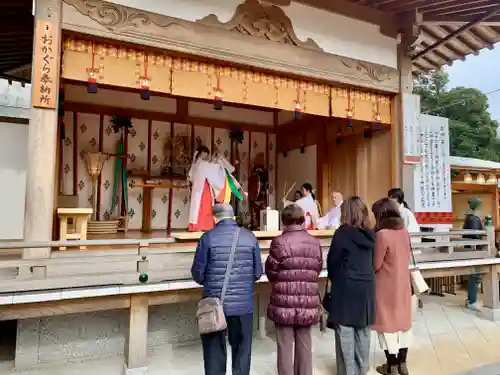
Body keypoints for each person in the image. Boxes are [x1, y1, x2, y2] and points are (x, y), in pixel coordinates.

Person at [191, 203, 263, 375]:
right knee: (242, 351)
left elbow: (198, 275)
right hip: (243, 306)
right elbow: (258, 273)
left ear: (215, 218)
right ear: (233, 217)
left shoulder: (207, 238)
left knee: (214, 354)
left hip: (214, 306)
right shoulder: (250, 237)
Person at [265, 204, 323, 375]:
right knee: (305, 343)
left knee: (284, 344)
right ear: (302, 220)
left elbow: (271, 272)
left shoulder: (279, 242)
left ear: (284, 222)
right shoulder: (314, 242)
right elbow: (317, 269)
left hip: (283, 301)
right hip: (307, 300)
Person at [325, 196, 375, 375]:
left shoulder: (342, 234)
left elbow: (332, 262)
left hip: (345, 289)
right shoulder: (371, 234)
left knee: (345, 334)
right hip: (366, 290)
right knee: (363, 333)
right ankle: (362, 370)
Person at [371, 198, 412, 375]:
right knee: (403, 324)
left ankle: (392, 365)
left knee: (387, 325)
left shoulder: (382, 235)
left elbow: (376, 264)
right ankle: (403, 364)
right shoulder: (404, 232)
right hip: (403, 283)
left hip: (386, 286)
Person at [187, 146, 244, 231]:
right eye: (204, 153)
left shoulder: (201, 164)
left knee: (206, 207)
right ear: (199, 153)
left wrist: (217, 159)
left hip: (205, 188)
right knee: (201, 207)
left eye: (206, 154)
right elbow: (211, 169)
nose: (205, 156)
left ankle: (203, 225)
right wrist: (219, 163)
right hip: (201, 189)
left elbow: (209, 169)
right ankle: (199, 226)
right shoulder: (200, 164)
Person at [463, 197, 484, 311]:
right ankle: (472, 301)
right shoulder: (474, 219)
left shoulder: (468, 217)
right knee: (475, 276)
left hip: (470, 249)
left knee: (473, 275)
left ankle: (471, 299)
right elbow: (475, 235)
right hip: (475, 250)